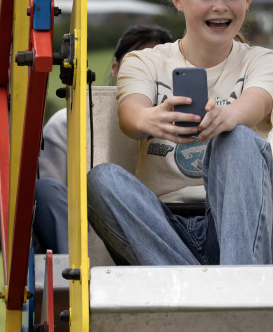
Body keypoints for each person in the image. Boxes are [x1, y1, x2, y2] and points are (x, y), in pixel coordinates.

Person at [86, 0, 273, 266]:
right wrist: (148, 119)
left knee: (238, 138)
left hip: (247, 226)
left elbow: (257, 101)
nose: (220, 6)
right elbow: (130, 113)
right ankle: (201, 281)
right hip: (165, 227)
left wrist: (229, 115)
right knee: (101, 180)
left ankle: (239, 278)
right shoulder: (144, 62)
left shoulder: (263, 60)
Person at [33, 25, 173, 255]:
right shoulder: (65, 123)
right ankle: (76, 265)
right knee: (45, 189)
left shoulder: (184, 123)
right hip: (80, 227)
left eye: (156, 66)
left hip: (158, 227)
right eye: (136, 65)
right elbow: (52, 195)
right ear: (115, 68)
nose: (145, 75)